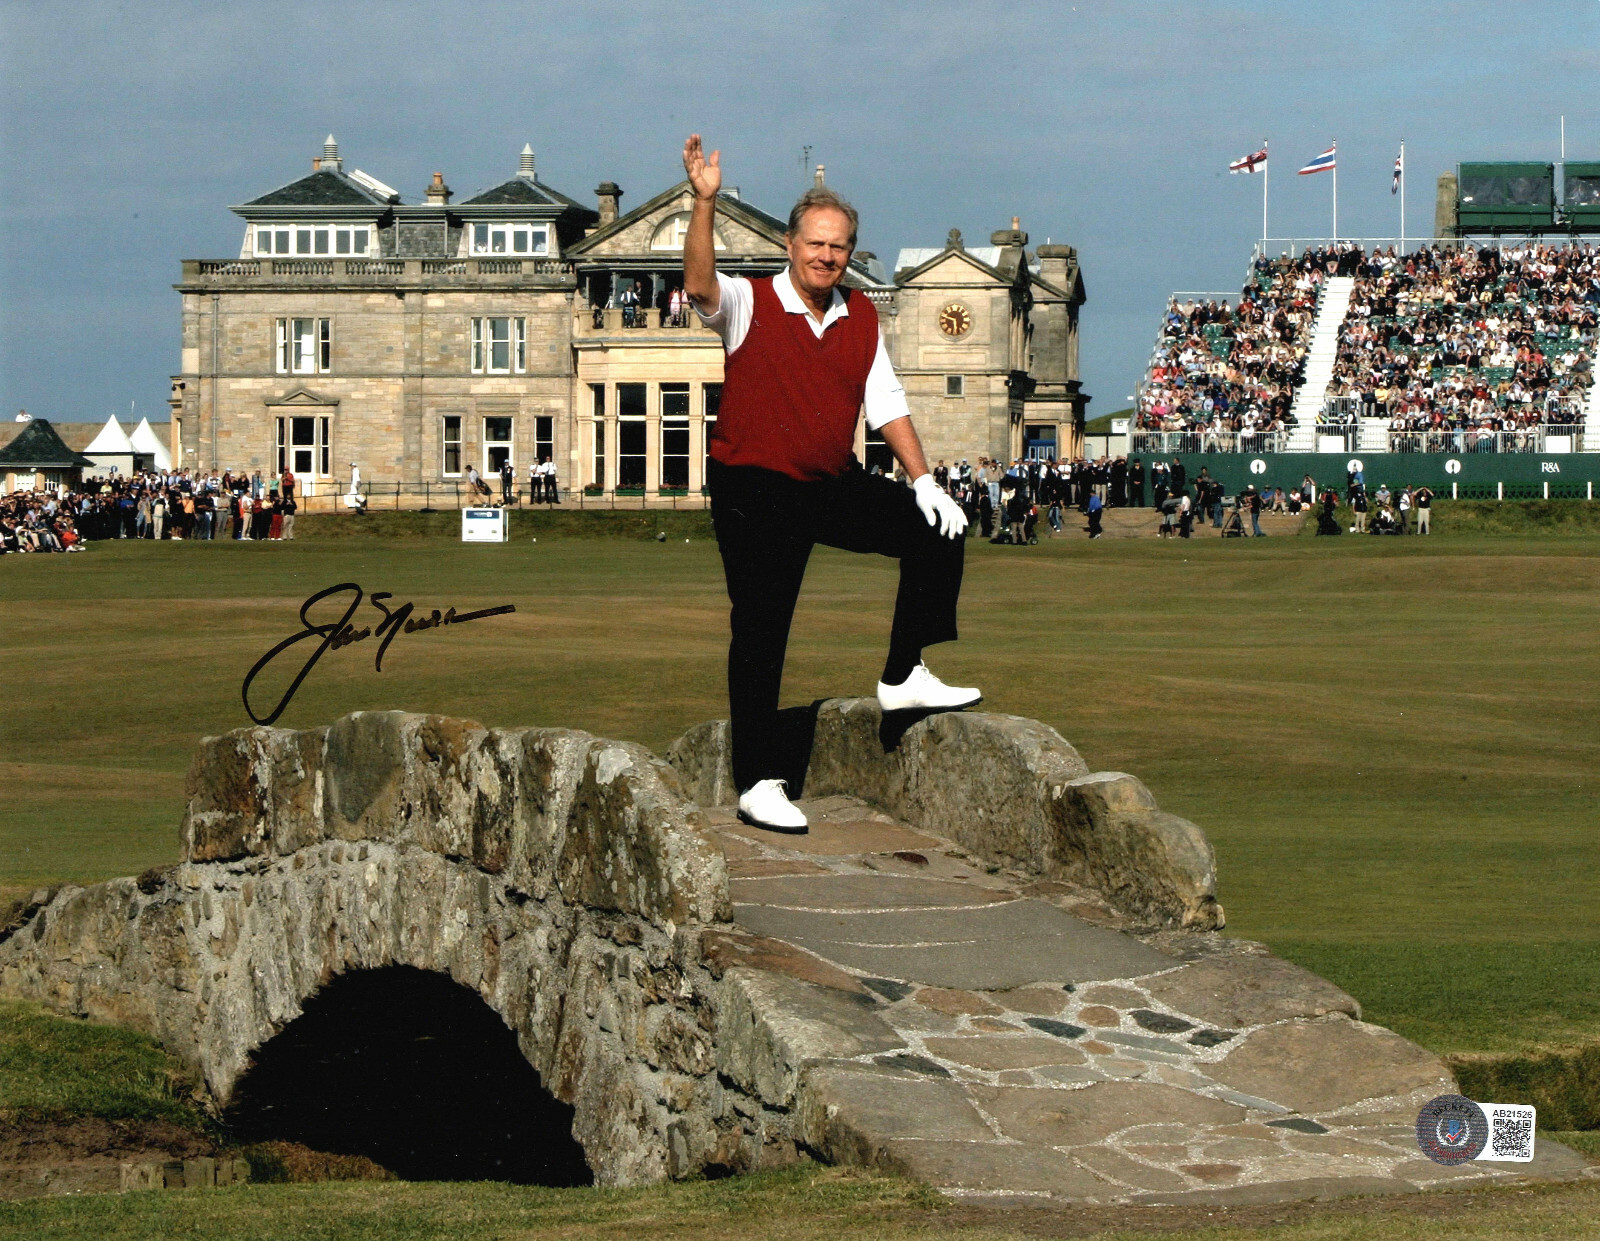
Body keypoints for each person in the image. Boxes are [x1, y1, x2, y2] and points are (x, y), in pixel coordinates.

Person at [681, 132, 976, 834]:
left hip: (825, 480)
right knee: (760, 625)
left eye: (838, 246)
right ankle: (757, 780)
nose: (826, 256)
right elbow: (698, 285)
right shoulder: (750, 303)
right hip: (752, 486)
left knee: (937, 529)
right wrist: (704, 203)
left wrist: (925, 480)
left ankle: (904, 672)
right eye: (815, 243)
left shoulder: (861, 313)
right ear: (790, 244)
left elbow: (888, 402)